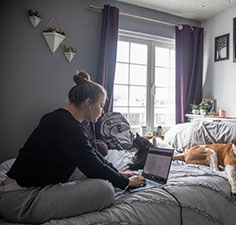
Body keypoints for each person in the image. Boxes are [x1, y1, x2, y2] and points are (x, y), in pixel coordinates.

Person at [0, 71, 146, 223]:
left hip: (18, 187)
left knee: (87, 169)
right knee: (106, 190)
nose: (102, 111)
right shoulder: (67, 126)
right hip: (20, 199)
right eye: (101, 105)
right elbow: (92, 166)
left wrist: (118, 173)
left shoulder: (61, 119)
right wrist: (125, 182)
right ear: (88, 103)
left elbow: (92, 154)